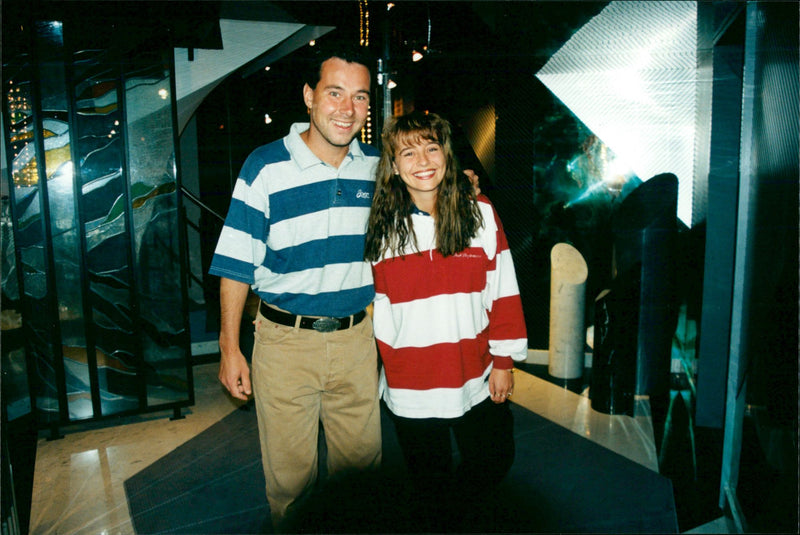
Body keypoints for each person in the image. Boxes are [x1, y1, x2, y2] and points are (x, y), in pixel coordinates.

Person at [208, 43, 382, 530]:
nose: (348, 109)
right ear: (308, 96)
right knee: (291, 488)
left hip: (355, 342)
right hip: (284, 344)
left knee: (362, 482)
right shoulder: (264, 167)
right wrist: (229, 348)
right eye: (334, 93)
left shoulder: (378, 168)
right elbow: (236, 262)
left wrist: (463, 183)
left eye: (361, 97)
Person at [364, 111, 528, 525]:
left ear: (446, 154)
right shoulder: (379, 227)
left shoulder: (481, 213)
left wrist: (504, 362)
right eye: (408, 151)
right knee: (428, 481)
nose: (422, 160)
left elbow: (503, 291)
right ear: (394, 166)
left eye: (431, 147)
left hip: (475, 372)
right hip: (411, 384)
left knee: (494, 459)